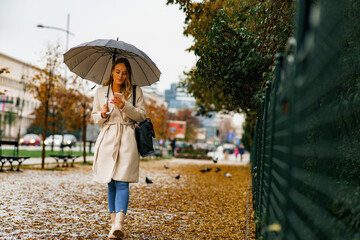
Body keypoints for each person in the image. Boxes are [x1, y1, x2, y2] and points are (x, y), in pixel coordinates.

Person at [91, 58, 146, 239]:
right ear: (112, 72)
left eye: (124, 72)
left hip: (127, 137)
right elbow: (95, 118)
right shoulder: (101, 92)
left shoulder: (136, 91)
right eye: (117, 71)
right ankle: (113, 224)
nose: (121, 75)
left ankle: (119, 224)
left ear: (128, 74)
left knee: (123, 180)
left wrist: (126, 106)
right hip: (107, 137)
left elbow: (142, 116)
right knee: (111, 180)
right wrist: (103, 113)